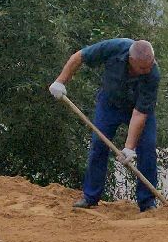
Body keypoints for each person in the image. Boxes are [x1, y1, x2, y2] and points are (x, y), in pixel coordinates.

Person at [49, 37, 160, 212]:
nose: (148, 70)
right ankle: (90, 197)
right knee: (98, 146)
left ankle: (147, 204)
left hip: (137, 109)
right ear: (132, 61)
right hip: (109, 105)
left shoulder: (152, 73)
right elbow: (79, 57)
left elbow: (139, 113)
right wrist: (60, 81)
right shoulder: (114, 48)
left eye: (150, 65)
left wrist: (129, 148)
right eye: (143, 68)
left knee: (147, 148)